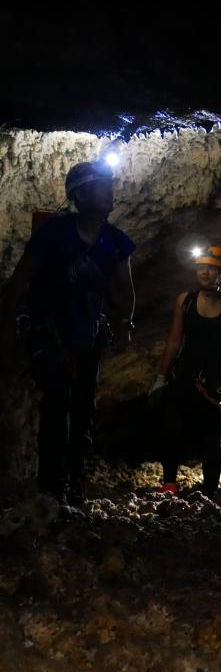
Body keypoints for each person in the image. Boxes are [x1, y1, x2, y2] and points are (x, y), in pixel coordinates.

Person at [2, 160, 135, 503]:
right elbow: (22, 277)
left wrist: (124, 323)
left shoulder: (116, 241)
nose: (109, 192)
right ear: (80, 195)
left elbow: (125, 289)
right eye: (101, 186)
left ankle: (74, 482)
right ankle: (50, 486)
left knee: (83, 408)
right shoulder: (54, 232)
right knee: (56, 403)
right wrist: (8, 320)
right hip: (52, 331)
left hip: (89, 332)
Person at [148, 245, 221, 497]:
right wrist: (161, 377)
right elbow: (174, 340)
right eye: (201, 267)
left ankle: (210, 491)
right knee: (173, 427)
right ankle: (169, 483)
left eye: (211, 268)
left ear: (220, 273)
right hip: (186, 374)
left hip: (219, 380)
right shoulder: (186, 301)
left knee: (214, 438)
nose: (204, 272)